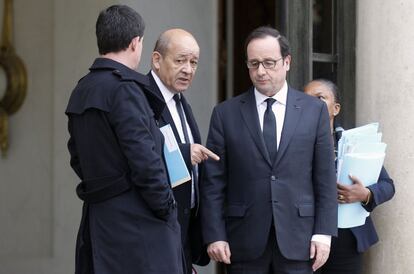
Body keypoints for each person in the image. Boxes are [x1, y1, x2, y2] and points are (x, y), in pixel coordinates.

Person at [200, 26, 338, 274]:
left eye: (269, 63)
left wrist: (324, 233)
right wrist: (214, 234)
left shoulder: (313, 110)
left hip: (301, 240)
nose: (261, 71)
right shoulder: (225, 114)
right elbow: (213, 182)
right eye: (254, 64)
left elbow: (325, 177)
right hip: (243, 242)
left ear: (287, 62)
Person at [65, 5, 182, 274]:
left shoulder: (82, 89)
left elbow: (77, 157)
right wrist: (167, 208)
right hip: (137, 230)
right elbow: (145, 160)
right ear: (135, 43)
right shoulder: (124, 90)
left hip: (98, 223)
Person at [304, 79, 395, 274]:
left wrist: (365, 194)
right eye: (306, 99)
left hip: (346, 237)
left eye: (320, 98)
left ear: (335, 108)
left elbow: (388, 186)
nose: (311, 104)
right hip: (304, 235)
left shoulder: (355, 142)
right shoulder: (291, 144)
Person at [147, 28, 219, 274]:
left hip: (182, 237)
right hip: (154, 237)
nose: (188, 69)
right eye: (180, 61)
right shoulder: (140, 99)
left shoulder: (180, 101)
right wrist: (184, 153)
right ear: (157, 60)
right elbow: (138, 158)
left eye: (194, 62)